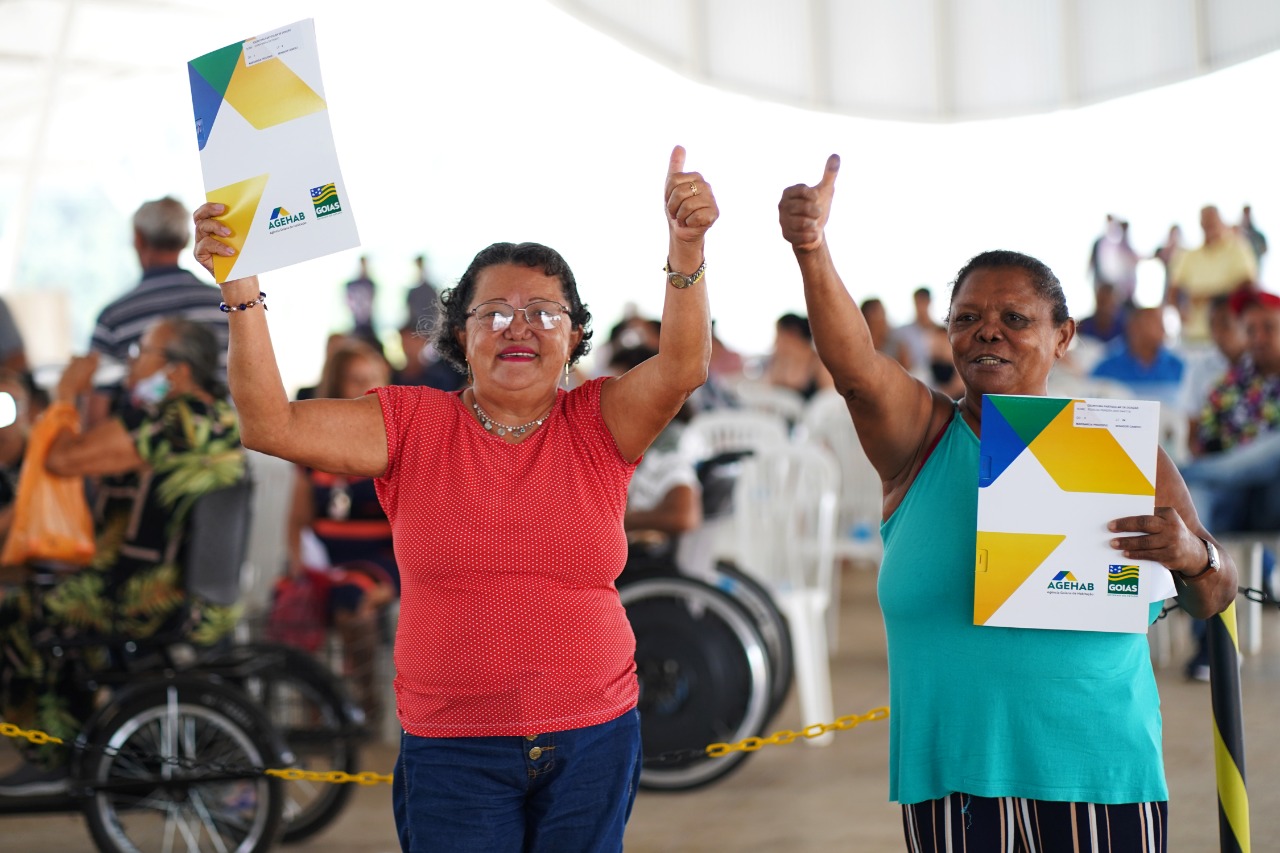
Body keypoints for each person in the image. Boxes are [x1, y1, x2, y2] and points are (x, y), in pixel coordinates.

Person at [193, 145, 717, 852]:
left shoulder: (600, 421)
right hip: (454, 744)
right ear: (460, 336)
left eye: (543, 312)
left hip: (594, 731)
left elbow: (683, 364)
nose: (519, 326)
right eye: (494, 313)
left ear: (576, 336)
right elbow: (269, 422)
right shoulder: (412, 424)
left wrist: (685, 247)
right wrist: (240, 289)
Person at [778, 154, 1238, 852]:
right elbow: (855, 367)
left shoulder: (1120, 453)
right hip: (954, 778)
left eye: (1014, 317)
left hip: (1099, 772)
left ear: (1063, 335)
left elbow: (1214, 595)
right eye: (967, 318)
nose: (986, 331)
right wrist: (812, 251)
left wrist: (1191, 555)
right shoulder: (920, 438)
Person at [0, 317, 245, 794]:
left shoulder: (173, 419)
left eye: (142, 352)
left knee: (17, 612)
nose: (132, 362)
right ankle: (109, 745)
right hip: (195, 591)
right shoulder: (215, 415)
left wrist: (68, 392)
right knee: (55, 597)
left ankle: (52, 756)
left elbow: (63, 460)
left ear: (174, 371)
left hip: (153, 596)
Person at [89, 196, 228, 422]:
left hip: (146, 450)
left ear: (138, 239)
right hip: (229, 441)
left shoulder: (114, 317)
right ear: (184, 240)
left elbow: (96, 413)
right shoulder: (224, 302)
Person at [1166, 205, 1257, 345]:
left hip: (1231, 335)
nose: (1209, 227)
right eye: (1205, 222)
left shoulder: (1238, 249)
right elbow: (1172, 290)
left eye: (1212, 222)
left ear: (1220, 221)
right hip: (1195, 335)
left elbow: (1248, 285)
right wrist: (1180, 312)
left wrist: (1207, 297)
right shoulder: (1188, 256)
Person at [1090, 306, 1186, 409]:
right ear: (1134, 328)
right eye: (1154, 322)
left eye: (1161, 323)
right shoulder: (1106, 369)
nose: (1162, 329)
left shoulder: (1179, 368)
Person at [764, 312, 832, 400]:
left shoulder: (820, 364)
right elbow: (767, 394)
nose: (775, 342)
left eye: (778, 335)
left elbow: (831, 401)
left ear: (791, 334)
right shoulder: (778, 362)